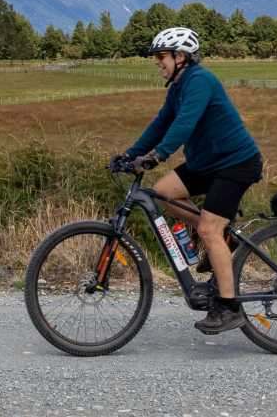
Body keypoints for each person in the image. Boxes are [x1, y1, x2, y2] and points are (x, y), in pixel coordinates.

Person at [109, 26, 263, 334]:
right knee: (163, 192)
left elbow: (184, 124)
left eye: (161, 57)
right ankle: (224, 235)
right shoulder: (177, 87)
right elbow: (160, 124)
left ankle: (229, 307)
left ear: (180, 57)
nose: (157, 63)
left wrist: (157, 156)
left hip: (235, 163)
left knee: (207, 228)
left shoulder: (200, 81)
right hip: (207, 163)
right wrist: (130, 154)